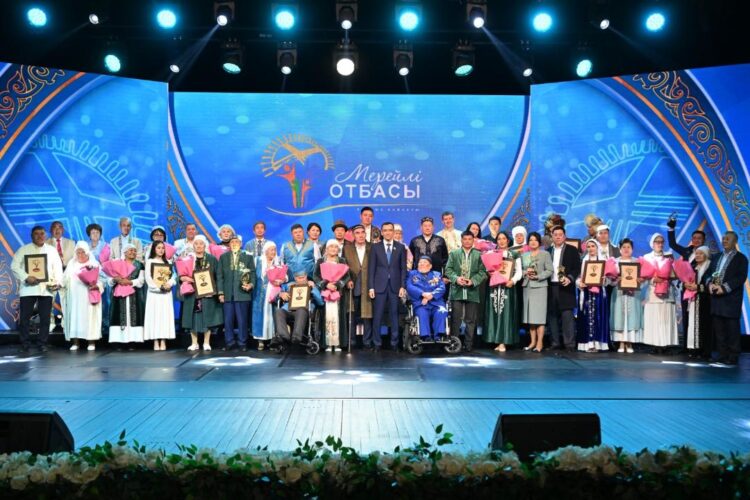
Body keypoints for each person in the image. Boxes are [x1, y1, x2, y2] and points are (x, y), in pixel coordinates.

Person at [11, 226, 63, 352]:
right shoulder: (24, 249)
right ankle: (25, 344)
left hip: (46, 288)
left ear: (45, 235)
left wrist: (57, 282)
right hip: (28, 289)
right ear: (31, 236)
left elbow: (57, 268)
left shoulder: (51, 250)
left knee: (45, 318)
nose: (40, 236)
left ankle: (42, 343)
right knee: (24, 318)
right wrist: (26, 277)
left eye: (42, 233)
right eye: (36, 234)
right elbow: (14, 266)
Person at [707, 231, 747, 366]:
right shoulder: (716, 256)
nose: (724, 241)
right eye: (723, 239)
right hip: (716, 299)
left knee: (732, 330)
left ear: (735, 242)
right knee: (719, 330)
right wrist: (710, 284)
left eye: (728, 239)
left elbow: (740, 278)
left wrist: (723, 288)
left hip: (731, 299)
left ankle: (733, 355)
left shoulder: (741, 258)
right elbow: (709, 273)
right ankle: (722, 354)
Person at [445, 231, 487, 352]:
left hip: (472, 291)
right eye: (465, 239)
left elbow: (483, 272)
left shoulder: (479, 255)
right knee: (455, 319)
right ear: (461, 240)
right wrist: (456, 279)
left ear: (473, 240)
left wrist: (473, 281)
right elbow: (448, 270)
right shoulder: (454, 253)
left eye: (470, 239)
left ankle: (468, 345)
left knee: (471, 320)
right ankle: (454, 344)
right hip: (457, 291)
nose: (467, 241)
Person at [368, 222, 407, 351]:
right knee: (377, 315)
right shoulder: (375, 247)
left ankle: (394, 343)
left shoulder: (400, 247)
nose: (388, 232)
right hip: (379, 286)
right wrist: (371, 287)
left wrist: (402, 286)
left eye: (390, 230)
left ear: (393, 232)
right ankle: (377, 343)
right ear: (382, 232)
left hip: (395, 287)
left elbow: (403, 269)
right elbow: (371, 268)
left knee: (394, 315)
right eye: (385, 230)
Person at [178, 235, 222, 351]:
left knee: (207, 316)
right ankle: (194, 343)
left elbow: (218, 276)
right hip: (192, 293)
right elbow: (181, 275)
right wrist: (183, 278)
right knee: (192, 317)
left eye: (201, 243)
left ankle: (206, 342)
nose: (198, 246)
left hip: (207, 292)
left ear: (205, 245)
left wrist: (218, 291)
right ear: (193, 246)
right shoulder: (188, 258)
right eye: (196, 244)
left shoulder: (212, 259)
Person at [484, 232, 522, 352]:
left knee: (506, 314)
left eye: (504, 238)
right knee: (494, 312)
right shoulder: (492, 253)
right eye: (499, 239)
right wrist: (489, 272)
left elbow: (519, 271)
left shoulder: (514, 254)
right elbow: (486, 268)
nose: (501, 241)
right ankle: (495, 339)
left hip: (508, 287)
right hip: (494, 287)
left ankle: (503, 342)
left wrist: (513, 281)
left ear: (508, 240)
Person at [216, 235, 255, 351]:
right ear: (229, 244)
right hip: (227, 294)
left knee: (242, 320)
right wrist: (221, 293)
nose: (234, 244)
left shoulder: (248, 257)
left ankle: (242, 343)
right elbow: (219, 276)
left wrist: (251, 285)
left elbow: (253, 273)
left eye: (236, 242)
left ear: (241, 244)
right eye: (232, 242)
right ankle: (229, 342)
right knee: (228, 320)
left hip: (242, 293)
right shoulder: (223, 257)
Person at [62, 241, 103, 351]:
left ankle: (91, 342)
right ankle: (76, 342)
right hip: (75, 297)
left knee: (90, 318)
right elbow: (65, 278)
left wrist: (97, 286)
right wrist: (59, 284)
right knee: (75, 318)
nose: (80, 254)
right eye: (78, 252)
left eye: (82, 252)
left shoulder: (94, 264)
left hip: (88, 296)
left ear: (87, 252)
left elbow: (102, 279)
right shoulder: (72, 263)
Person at [642, 233, 679, 351]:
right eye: (657, 242)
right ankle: (654, 344)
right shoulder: (647, 257)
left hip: (667, 292)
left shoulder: (669, 256)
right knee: (654, 318)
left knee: (666, 318)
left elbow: (675, 274)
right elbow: (643, 277)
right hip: (653, 293)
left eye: (662, 242)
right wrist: (653, 280)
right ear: (652, 244)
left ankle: (666, 344)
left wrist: (670, 274)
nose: (660, 244)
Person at [547, 226, 580, 351]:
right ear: (552, 236)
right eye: (555, 234)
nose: (558, 237)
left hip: (566, 286)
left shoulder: (572, 250)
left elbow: (577, 267)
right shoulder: (548, 251)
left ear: (564, 236)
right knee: (552, 316)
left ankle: (569, 344)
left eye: (560, 234)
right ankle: (555, 343)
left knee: (567, 316)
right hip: (551, 286)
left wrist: (570, 278)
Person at [314, 240, 350, 351]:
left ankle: (338, 344)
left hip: (338, 293)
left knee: (338, 317)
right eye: (331, 247)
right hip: (326, 293)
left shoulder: (342, 260)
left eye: (336, 247)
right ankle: (328, 344)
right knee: (327, 317)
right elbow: (316, 276)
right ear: (327, 249)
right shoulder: (321, 261)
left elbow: (347, 276)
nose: (333, 249)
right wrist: (326, 284)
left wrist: (338, 285)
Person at [272, 270, 323, 350]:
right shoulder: (288, 285)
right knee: (279, 311)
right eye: (299, 278)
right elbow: (275, 299)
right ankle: (283, 337)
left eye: (303, 277)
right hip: (288, 310)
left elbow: (320, 302)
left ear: (306, 277)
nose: (302, 280)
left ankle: (296, 338)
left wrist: (313, 288)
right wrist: (280, 294)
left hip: (304, 311)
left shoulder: (311, 285)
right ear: (295, 278)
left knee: (301, 310)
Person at [107, 242, 145, 348]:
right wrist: (115, 279)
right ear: (124, 252)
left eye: (135, 250)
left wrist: (129, 282)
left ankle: (133, 341)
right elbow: (109, 280)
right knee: (118, 315)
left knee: (133, 316)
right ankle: (119, 341)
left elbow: (141, 280)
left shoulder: (139, 264)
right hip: (119, 296)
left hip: (134, 295)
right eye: (130, 250)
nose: (133, 252)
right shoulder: (117, 263)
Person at [609, 238, 644, 353]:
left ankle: (630, 343)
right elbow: (609, 281)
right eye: (623, 247)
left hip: (633, 295)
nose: (626, 249)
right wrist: (616, 280)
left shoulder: (637, 262)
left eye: (628, 247)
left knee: (632, 316)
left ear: (632, 249)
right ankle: (621, 342)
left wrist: (640, 280)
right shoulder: (615, 262)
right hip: (619, 294)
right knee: (619, 317)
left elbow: (644, 280)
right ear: (620, 249)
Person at [521, 232, 553, 352]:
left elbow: (550, 270)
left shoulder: (545, 254)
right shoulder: (524, 255)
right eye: (530, 240)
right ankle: (532, 342)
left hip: (540, 287)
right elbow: (519, 270)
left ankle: (540, 343)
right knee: (531, 317)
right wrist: (525, 272)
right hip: (527, 287)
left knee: (539, 317)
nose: (533, 242)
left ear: (539, 242)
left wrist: (538, 276)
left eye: (535, 240)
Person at [576, 239, 610, 352]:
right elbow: (578, 278)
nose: (591, 249)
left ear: (597, 247)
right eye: (589, 246)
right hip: (586, 293)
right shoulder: (583, 261)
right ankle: (588, 344)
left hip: (599, 293)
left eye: (593, 246)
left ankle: (598, 343)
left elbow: (609, 280)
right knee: (586, 318)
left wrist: (604, 280)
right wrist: (579, 283)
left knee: (598, 317)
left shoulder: (604, 261)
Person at [343, 224, 372, 348]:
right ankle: (352, 340)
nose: (360, 235)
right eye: (357, 233)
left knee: (368, 314)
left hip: (368, 285)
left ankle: (367, 341)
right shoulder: (347, 248)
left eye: (362, 232)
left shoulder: (372, 247)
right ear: (353, 235)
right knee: (352, 313)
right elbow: (343, 267)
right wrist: (347, 280)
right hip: (353, 285)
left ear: (366, 234)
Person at [144, 241, 176, 350]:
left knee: (164, 316)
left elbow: (173, 276)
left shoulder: (168, 261)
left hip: (166, 294)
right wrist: (158, 288)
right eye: (158, 248)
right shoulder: (150, 261)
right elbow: (148, 277)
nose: (161, 250)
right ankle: (155, 340)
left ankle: (163, 340)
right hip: (154, 294)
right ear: (154, 249)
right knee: (154, 316)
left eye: (162, 248)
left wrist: (169, 284)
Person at [406, 255, 448, 340]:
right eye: (420, 262)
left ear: (430, 266)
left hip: (436, 303)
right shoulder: (412, 274)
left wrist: (431, 295)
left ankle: (439, 335)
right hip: (420, 303)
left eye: (424, 262)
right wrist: (423, 294)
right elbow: (409, 286)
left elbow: (442, 288)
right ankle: (425, 336)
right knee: (422, 313)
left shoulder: (437, 274)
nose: (422, 264)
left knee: (441, 311)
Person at [683, 246, 712, 360]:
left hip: (705, 301)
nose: (698, 255)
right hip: (694, 300)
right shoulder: (693, 267)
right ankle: (694, 349)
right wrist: (686, 284)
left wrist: (698, 287)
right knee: (693, 324)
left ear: (706, 255)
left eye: (701, 253)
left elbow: (711, 284)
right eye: (697, 253)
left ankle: (705, 351)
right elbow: (687, 280)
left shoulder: (710, 267)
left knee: (704, 326)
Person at [46, 221, 75, 332]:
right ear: (51, 230)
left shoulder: (71, 243)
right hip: (51, 275)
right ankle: (50, 322)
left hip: (66, 273)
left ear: (63, 230)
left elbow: (74, 260)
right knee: (49, 299)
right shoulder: (45, 243)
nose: (57, 230)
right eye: (54, 227)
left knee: (67, 299)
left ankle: (65, 320)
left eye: (59, 227)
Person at [252, 241, 281, 350]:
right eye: (271, 250)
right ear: (266, 251)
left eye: (275, 250)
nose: (273, 252)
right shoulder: (258, 260)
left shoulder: (278, 262)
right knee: (259, 315)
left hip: (273, 294)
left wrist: (281, 280)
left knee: (272, 316)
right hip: (259, 294)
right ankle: (260, 341)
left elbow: (285, 276)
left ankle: (272, 340)